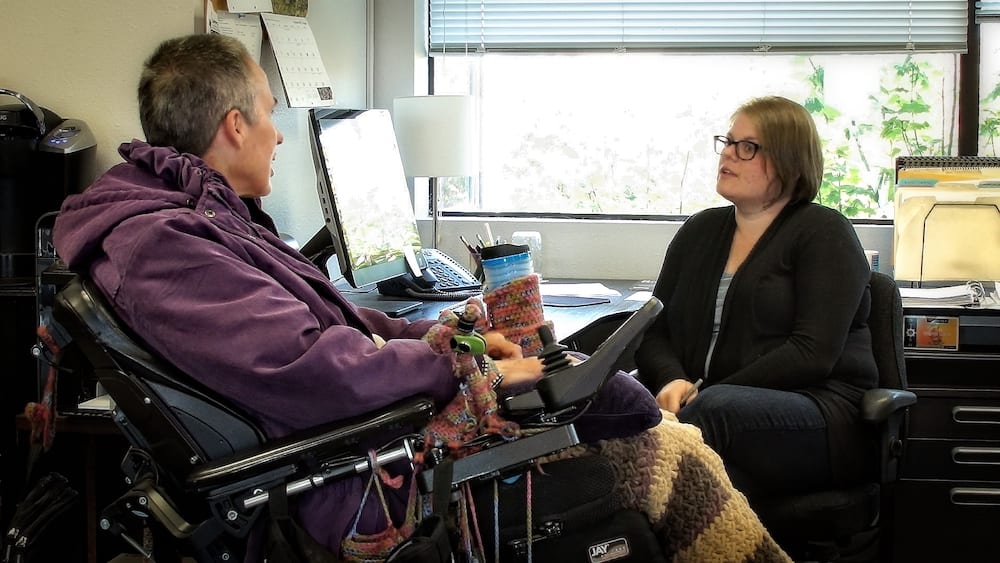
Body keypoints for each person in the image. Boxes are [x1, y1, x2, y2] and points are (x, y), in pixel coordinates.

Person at [53, 34, 792, 562]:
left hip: (365, 441)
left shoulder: (201, 219)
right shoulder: (165, 248)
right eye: (271, 113)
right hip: (352, 482)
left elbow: (343, 323)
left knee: (658, 430)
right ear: (234, 125)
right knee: (666, 455)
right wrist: (471, 374)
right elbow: (314, 366)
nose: (280, 134)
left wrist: (459, 341)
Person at [634, 96, 879, 504]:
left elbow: (811, 353)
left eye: (747, 147)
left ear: (788, 161)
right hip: (708, 409)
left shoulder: (824, 233)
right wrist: (672, 380)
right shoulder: (699, 231)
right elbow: (654, 330)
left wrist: (703, 394)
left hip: (817, 413)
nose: (728, 153)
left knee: (712, 416)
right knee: (620, 406)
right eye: (728, 142)